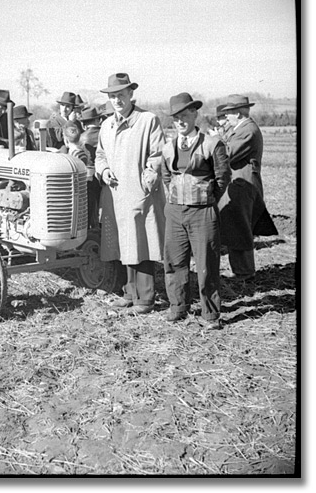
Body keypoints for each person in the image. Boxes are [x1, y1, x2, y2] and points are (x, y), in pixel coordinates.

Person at [95, 73, 166, 314]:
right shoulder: (106, 125)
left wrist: (147, 179)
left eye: (121, 95)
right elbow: (100, 155)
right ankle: (128, 293)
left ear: (131, 94)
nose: (117, 100)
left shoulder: (147, 120)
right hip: (115, 195)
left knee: (142, 241)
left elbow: (157, 155)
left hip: (138, 192)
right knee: (123, 244)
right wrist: (103, 171)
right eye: (113, 96)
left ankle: (145, 299)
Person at [161, 93, 231, 330]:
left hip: (203, 212)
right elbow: (166, 177)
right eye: (176, 117)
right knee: (174, 261)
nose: (180, 121)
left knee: (206, 264)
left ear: (195, 114)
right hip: (174, 211)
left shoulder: (212, 144)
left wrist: (206, 198)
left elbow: (223, 177)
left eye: (184, 115)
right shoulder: (168, 147)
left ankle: (210, 314)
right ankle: (178, 307)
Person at [218, 94, 277, 280]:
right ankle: (241, 269)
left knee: (240, 227)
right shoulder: (243, 128)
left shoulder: (246, 130)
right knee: (237, 226)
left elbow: (227, 154)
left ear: (239, 113)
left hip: (243, 185)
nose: (226, 117)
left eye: (229, 113)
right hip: (240, 183)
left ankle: (244, 271)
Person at [79, 106, 103, 229]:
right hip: (104, 174)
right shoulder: (105, 133)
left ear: (84, 124)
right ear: (97, 120)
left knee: (89, 206)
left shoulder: (83, 137)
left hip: (88, 176)